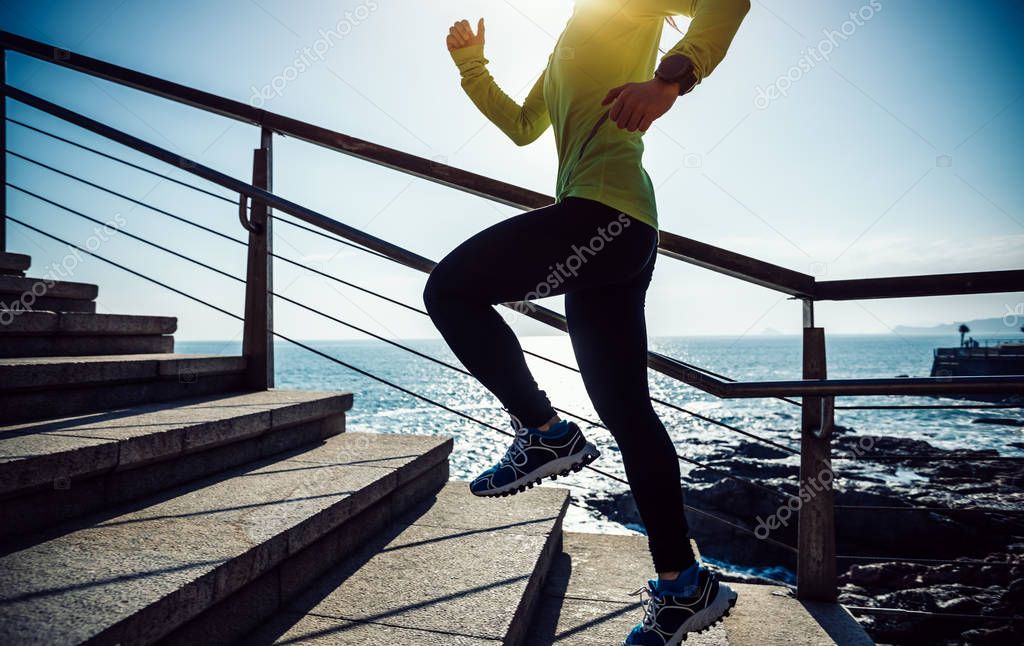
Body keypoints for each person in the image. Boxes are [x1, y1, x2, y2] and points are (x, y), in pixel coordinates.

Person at [424, 1, 749, 643]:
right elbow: (522, 126)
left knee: (451, 290)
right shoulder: (565, 47)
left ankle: (543, 431)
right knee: (629, 415)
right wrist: (471, 65)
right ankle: (685, 584)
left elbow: (729, 2)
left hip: (604, 215)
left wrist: (670, 81)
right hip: (614, 234)